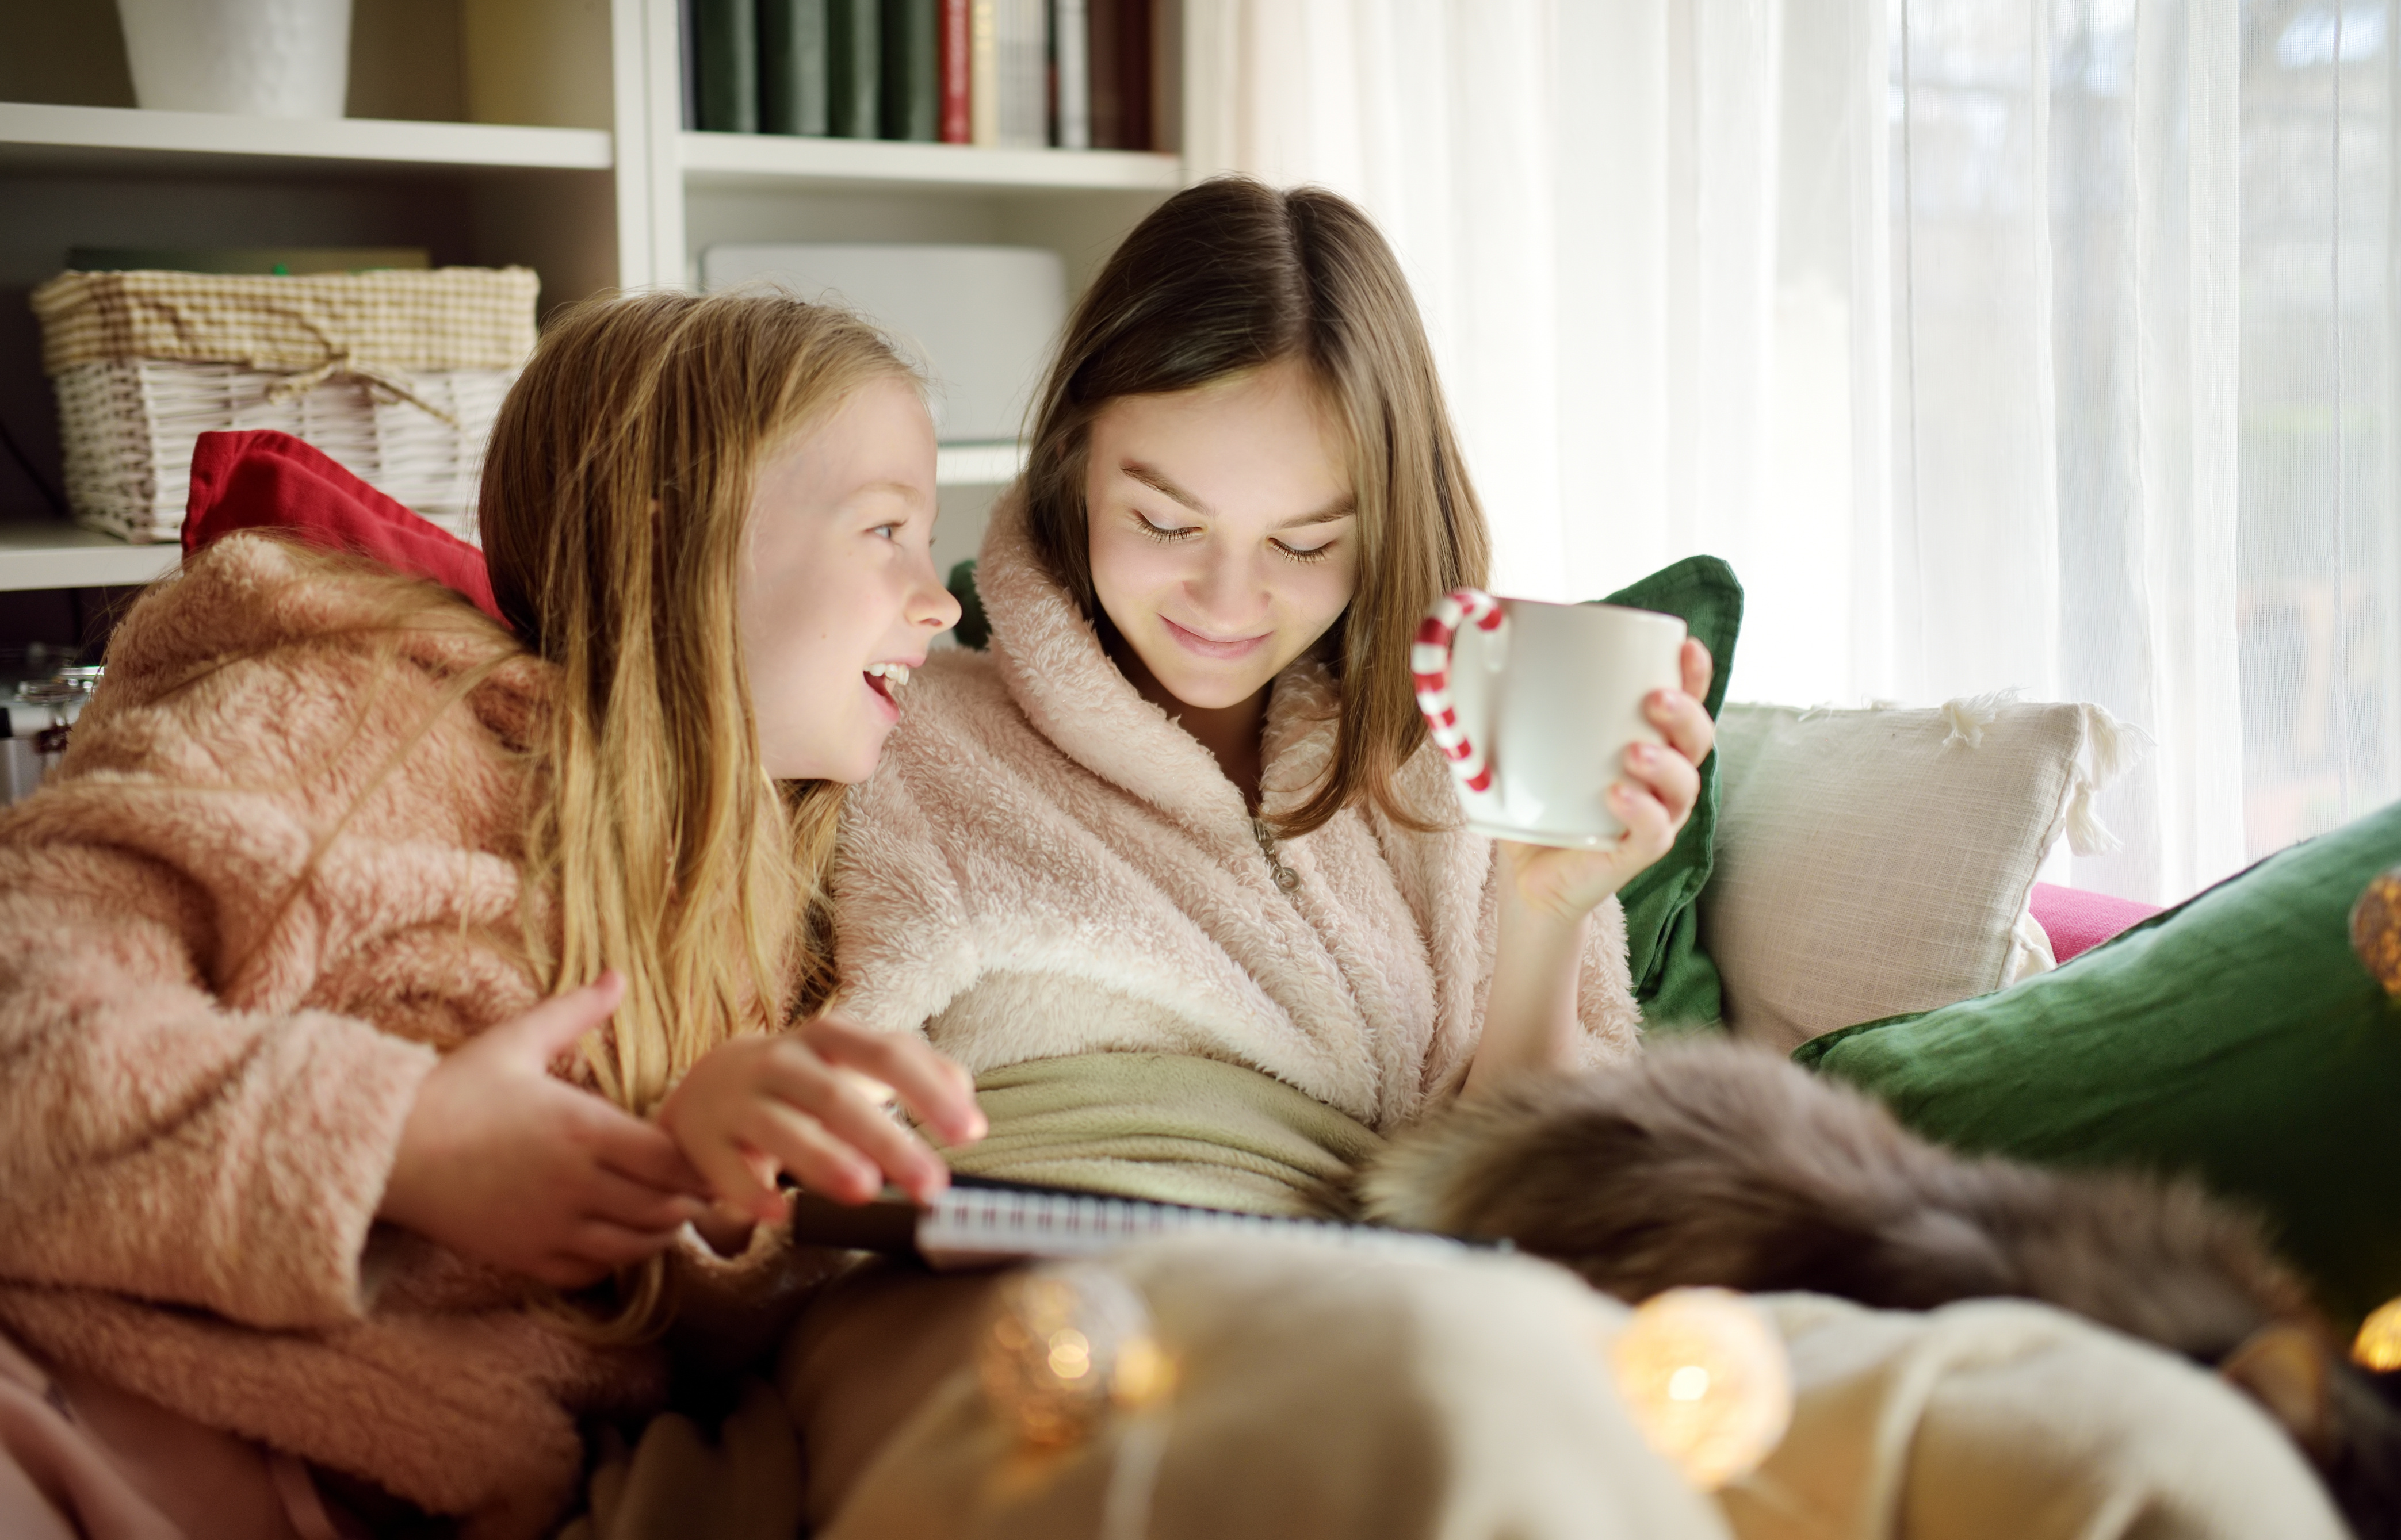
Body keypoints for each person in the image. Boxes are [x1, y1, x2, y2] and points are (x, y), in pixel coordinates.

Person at [780, 178, 2349, 1540]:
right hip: (1052, 1306)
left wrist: (1544, 910)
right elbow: (739, 1105)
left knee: (2110, 1437)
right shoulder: (902, 729)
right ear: (1066, 467)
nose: (1224, 599)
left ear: (1381, 519)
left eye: (1306, 544)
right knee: (1476, 1402)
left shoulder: (1438, 761)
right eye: (1162, 519)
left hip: (1430, 1279)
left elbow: (1527, 1192)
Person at [0, 290, 987, 1540]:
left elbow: (643, 1354)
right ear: (666, 544)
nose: (938, 598)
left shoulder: (775, 912)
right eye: (886, 529)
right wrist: (400, 1141)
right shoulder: (341, 721)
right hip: (74, 1404)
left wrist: (705, 1195)